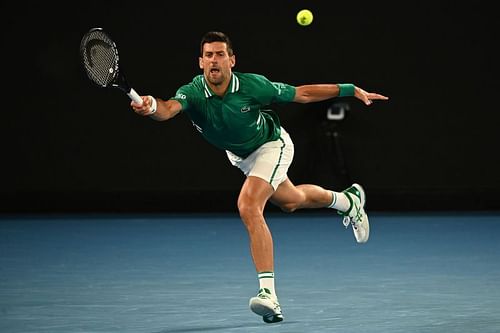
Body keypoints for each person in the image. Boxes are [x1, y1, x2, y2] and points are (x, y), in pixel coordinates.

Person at [131, 31, 389, 323]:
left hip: (271, 145)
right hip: (242, 157)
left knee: (249, 205)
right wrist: (151, 106)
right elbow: (167, 110)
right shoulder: (192, 92)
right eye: (208, 55)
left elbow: (300, 93)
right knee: (291, 201)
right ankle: (348, 201)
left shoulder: (253, 85)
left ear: (232, 60)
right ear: (200, 62)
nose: (214, 60)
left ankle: (269, 295)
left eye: (219, 54)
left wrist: (350, 89)